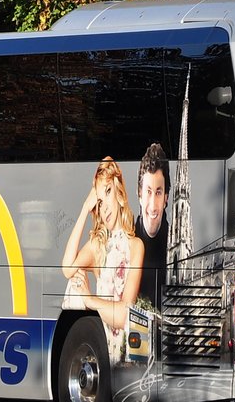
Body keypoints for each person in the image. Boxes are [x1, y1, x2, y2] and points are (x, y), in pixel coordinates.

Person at [61, 157, 145, 362]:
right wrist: (84, 209)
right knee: (74, 280)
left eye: (107, 192)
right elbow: (67, 268)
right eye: (99, 201)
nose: (104, 207)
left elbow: (126, 313)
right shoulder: (98, 247)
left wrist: (90, 300)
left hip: (123, 348)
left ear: (120, 195)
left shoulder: (136, 246)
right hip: (100, 344)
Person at [134, 143, 170, 309]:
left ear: (166, 198)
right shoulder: (127, 241)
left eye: (158, 192)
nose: (153, 206)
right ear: (139, 195)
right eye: (148, 192)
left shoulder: (174, 244)